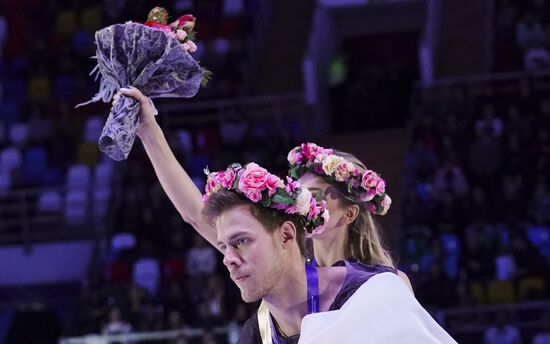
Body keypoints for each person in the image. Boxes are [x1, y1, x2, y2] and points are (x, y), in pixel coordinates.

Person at [114, 87, 412, 290]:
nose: (305, 202)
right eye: (301, 193)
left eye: (317, 196)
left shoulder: (389, 282)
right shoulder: (283, 258)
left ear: (349, 214)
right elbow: (196, 213)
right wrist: (149, 131)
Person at [201, 162, 456, 343]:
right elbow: (192, 217)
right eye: (223, 247)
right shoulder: (257, 334)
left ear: (287, 235)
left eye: (242, 241)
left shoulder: (376, 293)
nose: (229, 259)